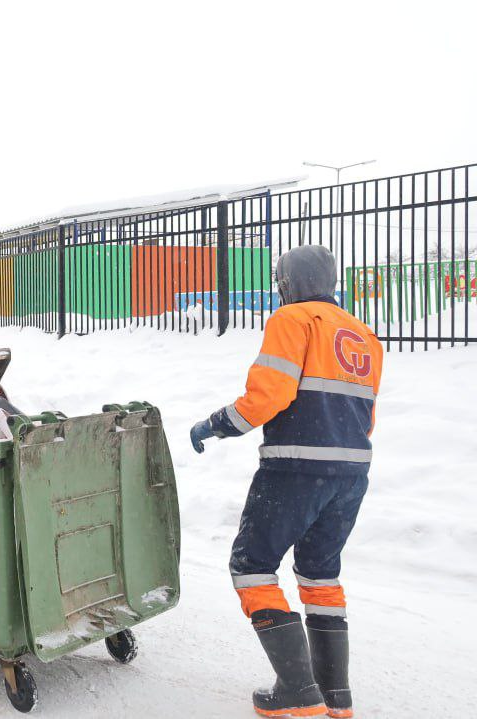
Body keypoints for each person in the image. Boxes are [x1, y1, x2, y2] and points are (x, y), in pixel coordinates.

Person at [189, 245, 381, 719]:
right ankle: (337, 696)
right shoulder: (364, 335)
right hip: (352, 474)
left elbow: (268, 394)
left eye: (280, 282)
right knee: (320, 573)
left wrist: (217, 423)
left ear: (289, 283)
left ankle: (297, 691)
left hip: (295, 469)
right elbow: (367, 416)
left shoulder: (293, 320)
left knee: (251, 565)